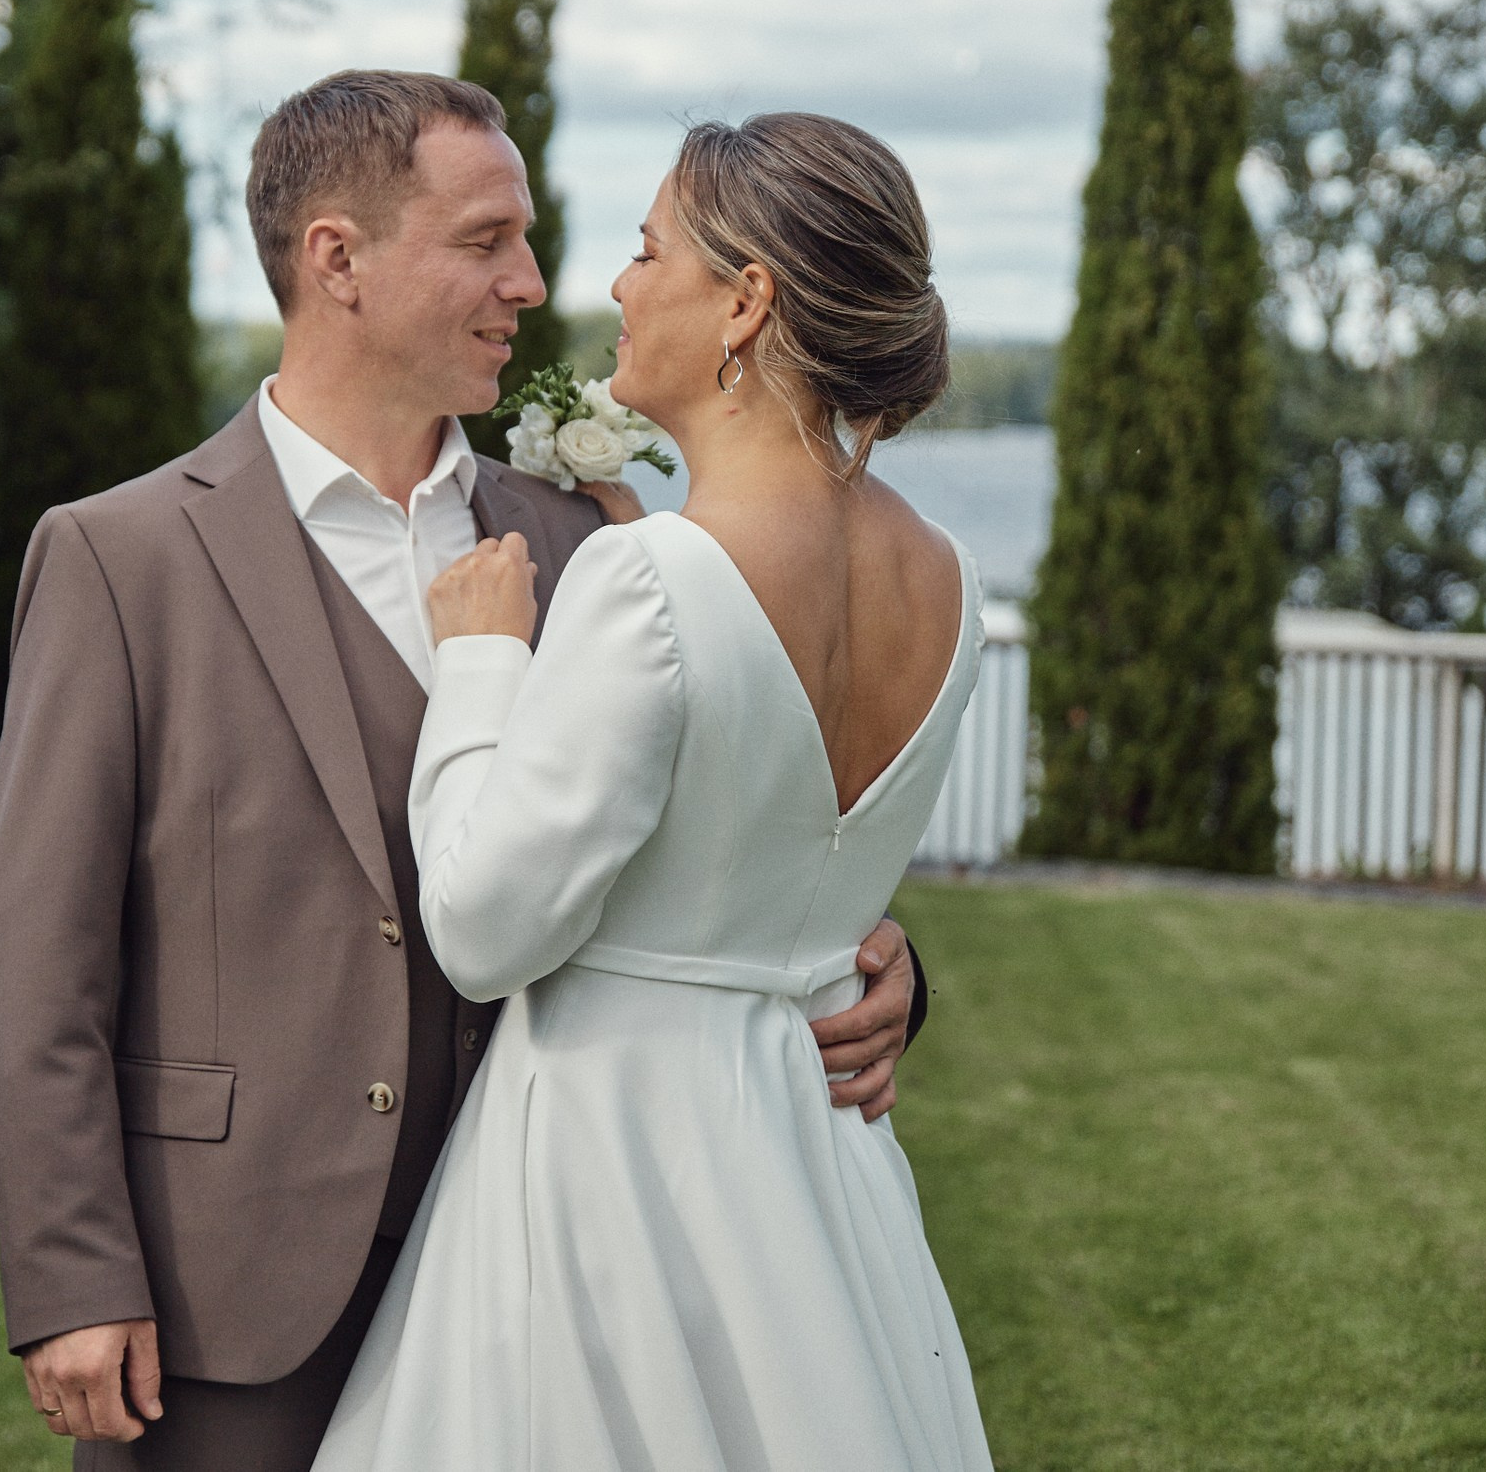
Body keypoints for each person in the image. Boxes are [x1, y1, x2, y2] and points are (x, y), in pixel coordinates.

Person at [0, 73, 933, 1470]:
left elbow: (736, 826)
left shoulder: (595, 544)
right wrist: (73, 1275)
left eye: (531, 240)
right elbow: (39, 956)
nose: (534, 284)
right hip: (232, 1290)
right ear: (337, 259)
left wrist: (872, 962)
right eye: (485, 241)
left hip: (548, 1282)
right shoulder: (124, 561)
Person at [313, 112, 993, 1470]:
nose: (617, 286)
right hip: (816, 1168)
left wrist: (486, 665)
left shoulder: (654, 579)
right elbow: (791, 864)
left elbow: (488, 928)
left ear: (747, 304)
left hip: (616, 1173)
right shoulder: (952, 580)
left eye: (646, 249)